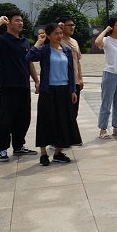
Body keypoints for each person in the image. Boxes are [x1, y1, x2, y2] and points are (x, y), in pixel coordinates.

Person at [26, 23, 81, 166]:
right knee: (46, 121)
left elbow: (70, 72)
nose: (59, 36)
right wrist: (39, 42)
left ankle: (58, 152)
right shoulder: (44, 50)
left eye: (60, 33)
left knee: (62, 121)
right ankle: (43, 154)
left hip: (64, 90)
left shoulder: (67, 50)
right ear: (48, 35)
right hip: (48, 90)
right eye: (56, 33)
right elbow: (29, 57)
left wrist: (73, 90)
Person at [0, 12, 39, 161]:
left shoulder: (25, 42)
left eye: (21, 20)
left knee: (23, 119)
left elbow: (29, 62)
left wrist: (36, 80)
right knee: (5, 119)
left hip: (24, 86)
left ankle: (18, 146)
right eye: (17, 20)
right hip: (8, 86)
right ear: (8, 23)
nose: (21, 23)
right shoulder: (1, 40)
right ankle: (2, 149)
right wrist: (0, 21)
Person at [57, 16, 84, 119]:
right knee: (63, 112)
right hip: (63, 81)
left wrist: (80, 78)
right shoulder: (57, 40)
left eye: (73, 25)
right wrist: (57, 28)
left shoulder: (74, 42)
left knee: (73, 112)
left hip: (75, 81)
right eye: (69, 25)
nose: (72, 27)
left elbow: (77, 61)